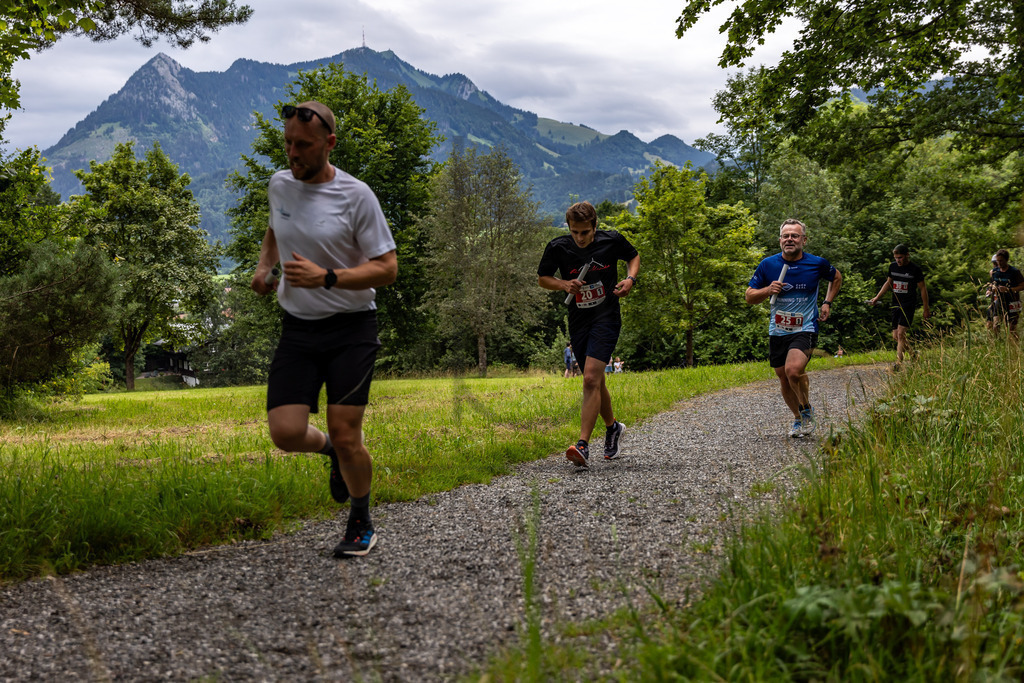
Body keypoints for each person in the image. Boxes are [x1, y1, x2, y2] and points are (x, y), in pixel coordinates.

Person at [251, 100, 397, 558]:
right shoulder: (279, 184)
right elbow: (276, 227)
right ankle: (330, 451)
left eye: (304, 145)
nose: (293, 153)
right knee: (286, 432)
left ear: (329, 144)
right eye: (288, 143)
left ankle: (360, 518)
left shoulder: (357, 196)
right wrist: (265, 267)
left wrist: (328, 276)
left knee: (349, 430)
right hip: (298, 325)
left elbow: (388, 269)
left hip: (351, 327)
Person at [538, 201, 640, 467]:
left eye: (585, 232)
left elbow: (633, 256)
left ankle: (582, 445)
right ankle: (613, 427)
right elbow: (543, 278)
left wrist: (631, 279)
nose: (580, 238)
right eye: (575, 232)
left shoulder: (611, 241)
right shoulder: (558, 247)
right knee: (594, 381)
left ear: (595, 225)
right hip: (579, 319)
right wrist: (563, 284)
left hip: (606, 317)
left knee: (591, 378)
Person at [745, 219, 842, 438]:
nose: (790, 239)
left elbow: (836, 277)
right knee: (783, 377)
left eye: (795, 236)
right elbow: (749, 297)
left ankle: (806, 409)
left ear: (804, 240)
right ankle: (799, 419)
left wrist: (827, 302)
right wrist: (768, 289)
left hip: (805, 326)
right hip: (778, 329)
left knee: (793, 371)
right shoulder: (768, 265)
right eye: (786, 236)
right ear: (780, 240)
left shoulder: (816, 263)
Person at [867, 244, 930, 365]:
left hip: (908, 304)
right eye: (896, 257)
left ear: (907, 255)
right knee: (896, 337)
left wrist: (926, 308)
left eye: (900, 257)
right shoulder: (893, 267)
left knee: (901, 333)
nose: (898, 260)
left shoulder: (915, 269)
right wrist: (877, 297)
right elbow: (888, 283)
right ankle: (913, 355)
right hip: (895, 304)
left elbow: (923, 289)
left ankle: (898, 363)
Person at [985, 249, 1024, 337]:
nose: (999, 263)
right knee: (995, 326)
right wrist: (989, 290)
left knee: (1012, 330)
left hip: (1013, 301)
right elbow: (992, 284)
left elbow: (1022, 286)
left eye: (1001, 261)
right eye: (997, 261)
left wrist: (1008, 289)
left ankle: (1015, 348)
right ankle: (998, 345)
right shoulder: (995, 272)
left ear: (1006, 260)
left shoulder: (1014, 272)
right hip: (1000, 301)